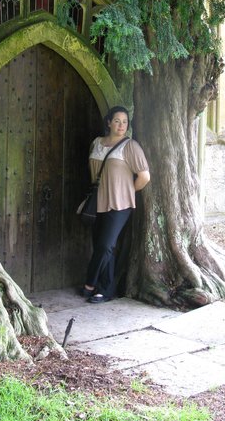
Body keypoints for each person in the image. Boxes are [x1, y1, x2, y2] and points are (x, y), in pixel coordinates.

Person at [81, 106, 150, 304]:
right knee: (103, 247)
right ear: (109, 122)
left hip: (120, 205)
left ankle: (90, 282)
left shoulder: (130, 146)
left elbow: (144, 177)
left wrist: (126, 192)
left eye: (125, 122)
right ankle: (105, 289)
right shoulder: (96, 143)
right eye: (117, 121)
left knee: (105, 245)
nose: (121, 125)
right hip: (98, 202)